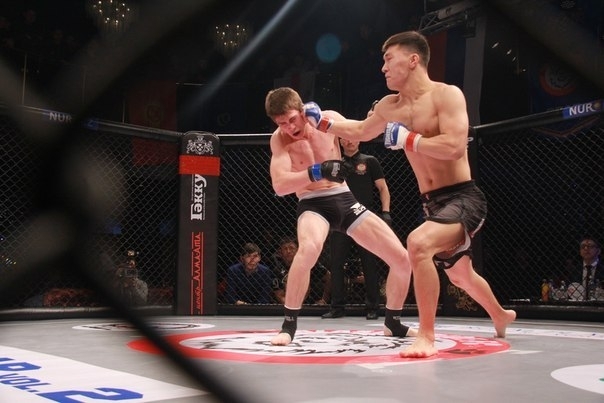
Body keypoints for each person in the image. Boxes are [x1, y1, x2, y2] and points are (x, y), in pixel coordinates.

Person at [304, 30, 516, 358]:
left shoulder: (447, 96)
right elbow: (360, 130)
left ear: (413, 60)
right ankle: (501, 315)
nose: (383, 68)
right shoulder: (389, 106)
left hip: (464, 197)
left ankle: (426, 336)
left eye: (389, 59)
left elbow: (454, 146)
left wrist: (408, 140)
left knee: (417, 244)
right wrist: (322, 124)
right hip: (432, 204)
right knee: (461, 275)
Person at [265, 86, 416, 346]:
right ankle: (288, 326)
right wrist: (317, 171)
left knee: (402, 258)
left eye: (292, 119)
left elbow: (362, 132)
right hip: (312, 203)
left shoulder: (326, 118)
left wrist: (376, 118)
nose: (289, 127)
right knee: (308, 249)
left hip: (344, 199)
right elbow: (279, 186)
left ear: (302, 110)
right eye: (281, 123)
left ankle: (392, 323)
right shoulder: (279, 140)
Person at [323, 130, 392, 320]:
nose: (350, 141)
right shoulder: (335, 164)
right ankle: (337, 307)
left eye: (353, 137)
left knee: (369, 262)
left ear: (359, 139)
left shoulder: (370, 161)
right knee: (336, 262)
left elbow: (383, 188)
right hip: (340, 217)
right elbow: (326, 190)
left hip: (363, 217)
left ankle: (373, 307)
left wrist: (386, 212)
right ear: (340, 141)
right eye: (345, 138)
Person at [273, 236, 330, 305]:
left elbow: (329, 277)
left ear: (297, 250)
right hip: (287, 304)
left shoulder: (308, 264)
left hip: (311, 303)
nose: (288, 251)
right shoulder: (278, 269)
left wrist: (324, 299)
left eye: (291, 248)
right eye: (285, 249)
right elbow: (279, 294)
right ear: (281, 252)